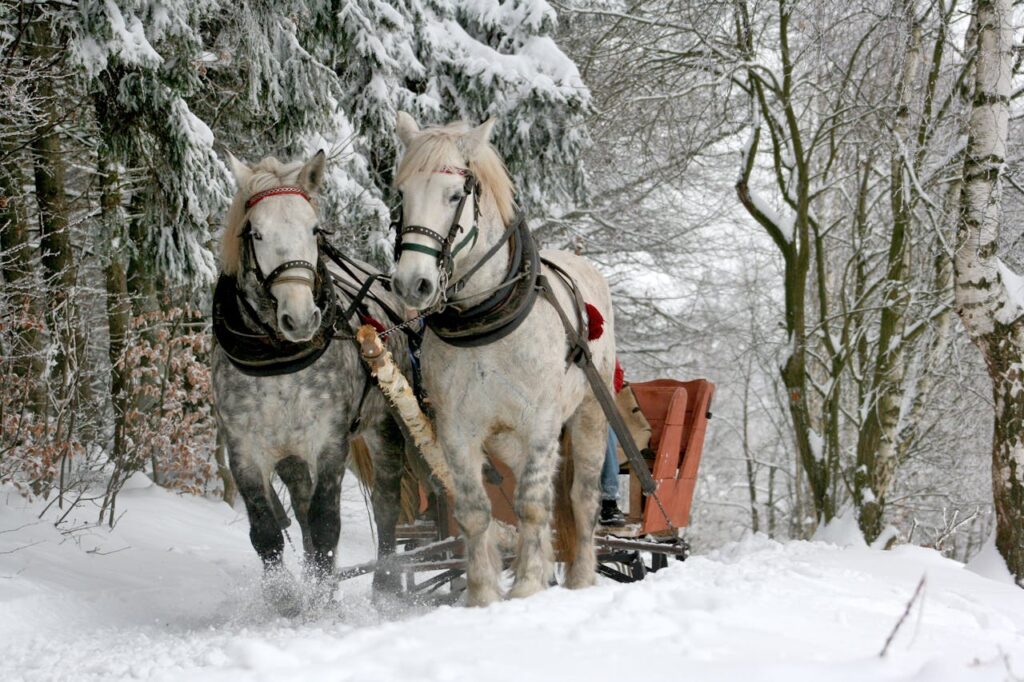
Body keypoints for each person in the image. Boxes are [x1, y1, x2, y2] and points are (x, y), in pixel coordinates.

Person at [599, 360, 627, 527]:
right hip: (557, 404)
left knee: (604, 428)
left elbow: (616, 375)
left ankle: (608, 500)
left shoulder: (602, 342)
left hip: (591, 403)